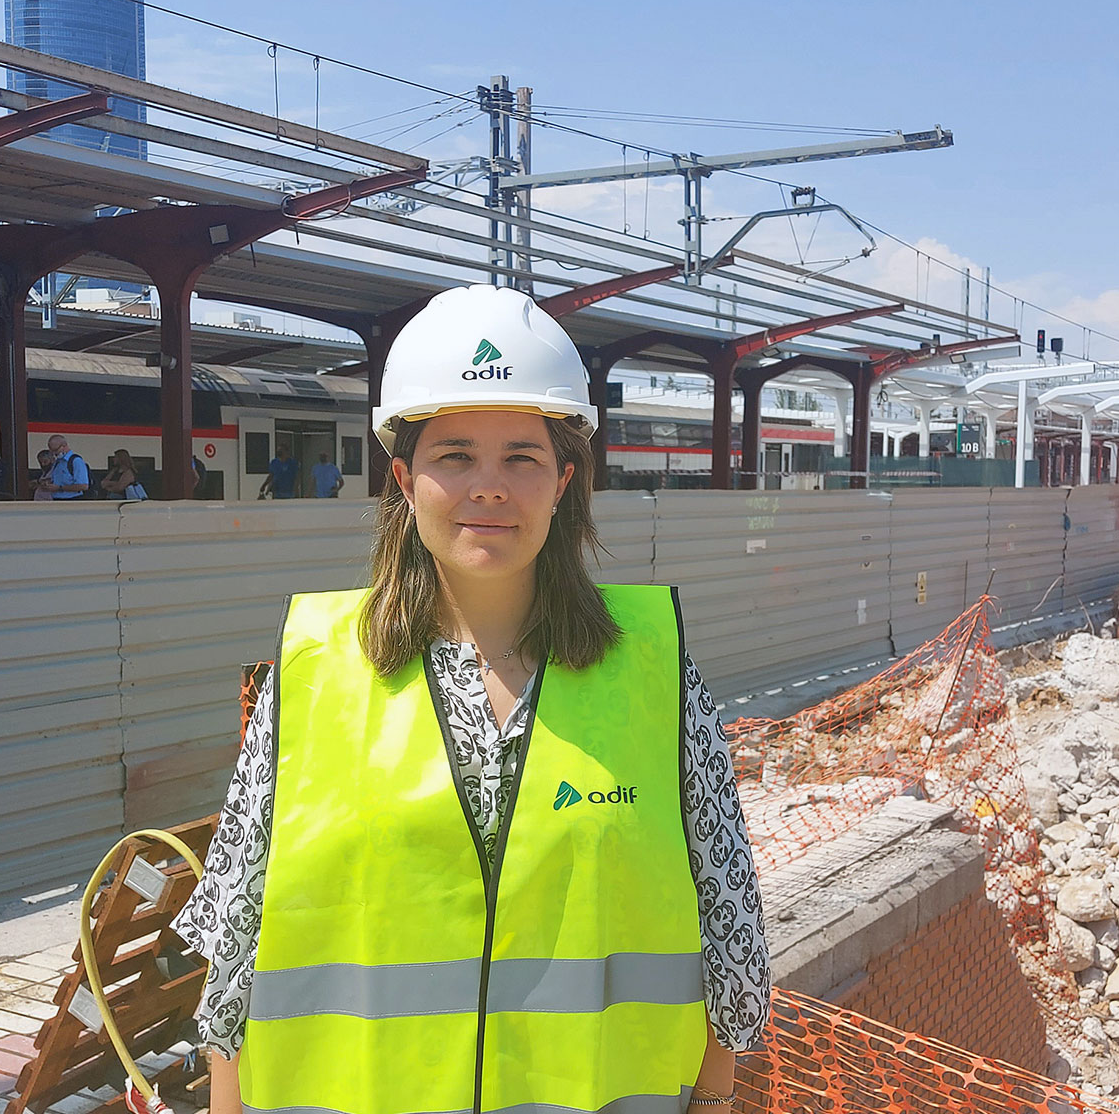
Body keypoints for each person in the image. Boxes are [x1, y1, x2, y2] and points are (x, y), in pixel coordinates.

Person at [173, 285, 768, 1114]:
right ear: (403, 479)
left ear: (563, 482)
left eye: (521, 456)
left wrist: (715, 1094)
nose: (489, 486)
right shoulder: (313, 673)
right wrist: (224, 1100)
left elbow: (729, 913)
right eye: (455, 455)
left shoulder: (656, 673)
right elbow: (236, 923)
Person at [41, 434, 91, 500]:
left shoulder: (76, 461)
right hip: (56, 499)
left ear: (64, 446)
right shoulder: (57, 462)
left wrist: (60, 488)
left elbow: (83, 486)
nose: (54, 454)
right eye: (51, 451)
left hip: (72, 500)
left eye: (56, 450)